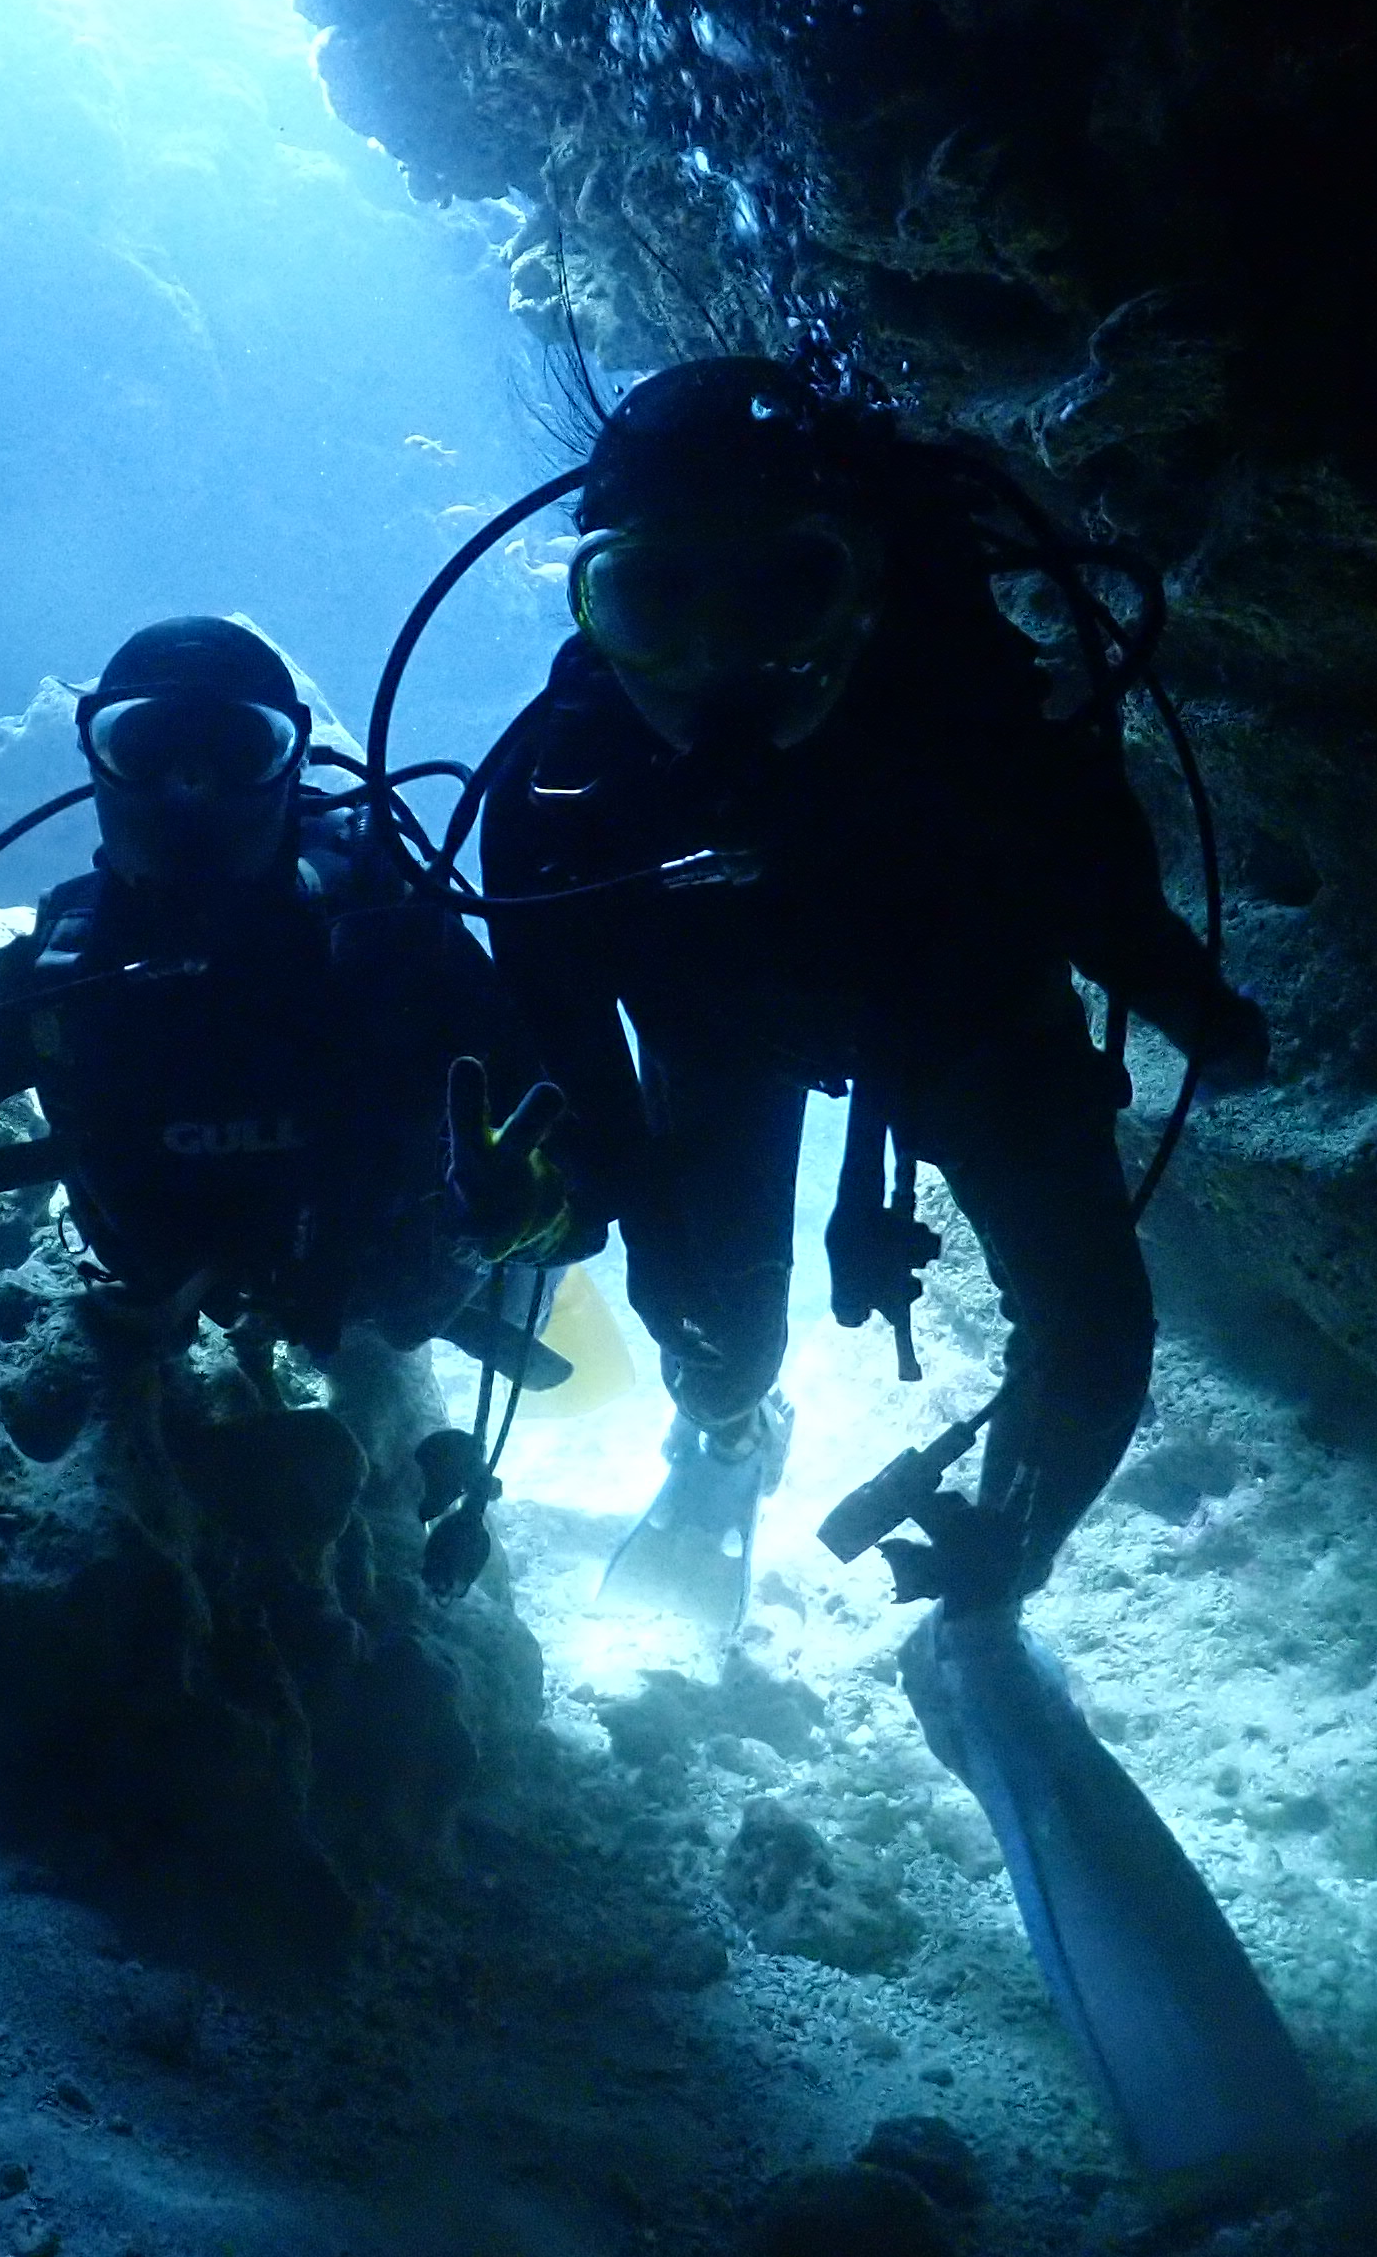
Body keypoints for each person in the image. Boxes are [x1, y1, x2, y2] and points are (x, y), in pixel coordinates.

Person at [478, 359, 1271, 1629]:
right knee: (707, 1334)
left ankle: (988, 1587)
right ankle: (727, 1434)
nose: (721, 659)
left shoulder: (974, 723)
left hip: (959, 1001)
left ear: (864, 590)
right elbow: (571, 1057)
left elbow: (1098, 891)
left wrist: (1190, 1004)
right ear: (592, 608)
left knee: (1090, 1329)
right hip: (728, 1025)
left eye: (783, 589)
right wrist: (572, 1201)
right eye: (655, 599)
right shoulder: (558, 801)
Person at [0, 617, 589, 1455]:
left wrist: (529, 1211)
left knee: (404, 1320)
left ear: (293, 761)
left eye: (235, 747)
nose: (190, 785)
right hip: (170, 1281)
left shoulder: (397, 947)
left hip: (390, 1278)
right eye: (145, 745)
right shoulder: (57, 982)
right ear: (96, 760)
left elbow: (578, 1161)